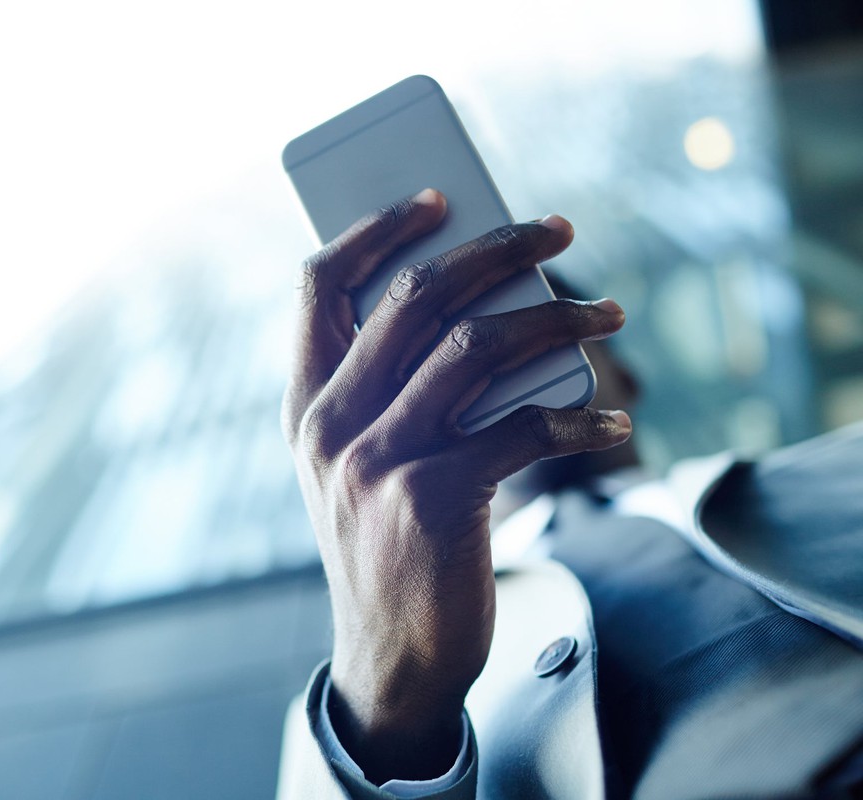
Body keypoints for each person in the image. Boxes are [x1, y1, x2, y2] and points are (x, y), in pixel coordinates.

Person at [274, 188, 863, 799]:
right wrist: (387, 683)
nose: (479, 365)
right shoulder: (341, 717)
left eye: (528, 330)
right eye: (425, 369)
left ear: (625, 375)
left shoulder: (846, 463)